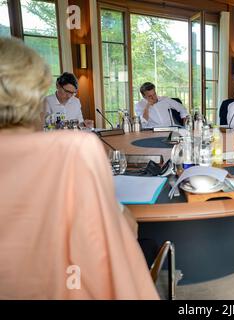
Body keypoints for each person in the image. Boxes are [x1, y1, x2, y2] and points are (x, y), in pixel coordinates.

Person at [0, 37, 159, 299]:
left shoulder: (73, 119)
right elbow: (124, 230)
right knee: (145, 242)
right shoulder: (72, 152)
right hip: (67, 287)